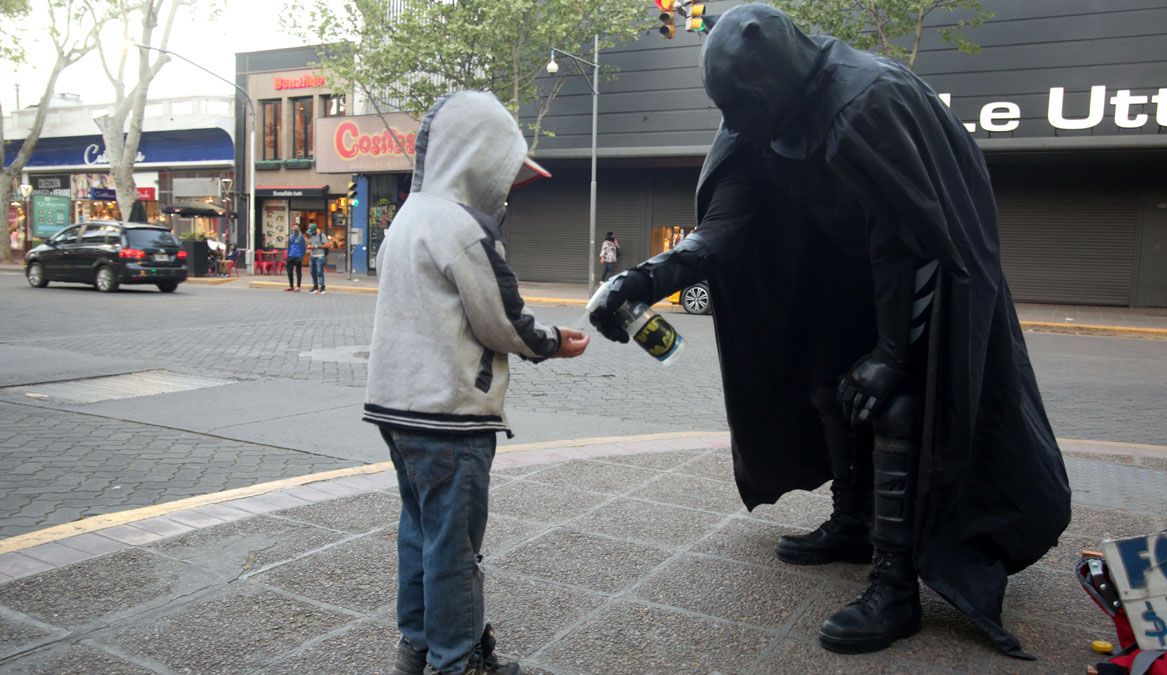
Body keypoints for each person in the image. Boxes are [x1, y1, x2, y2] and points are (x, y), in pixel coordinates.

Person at [588, 4, 1070, 659]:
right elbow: (727, 224)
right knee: (827, 385)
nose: (735, 122)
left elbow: (915, 238)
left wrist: (892, 352)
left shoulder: (869, 100)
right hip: (845, 278)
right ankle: (852, 520)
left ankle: (895, 586)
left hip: (921, 281)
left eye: (742, 105)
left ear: (774, 79)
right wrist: (642, 280)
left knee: (895, 405)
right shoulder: (757, 119)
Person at [363, 90, 588, 675]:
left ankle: (417, 646)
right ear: (479, 160)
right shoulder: (463, 228)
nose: (506, 190)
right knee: (455, 548)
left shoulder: (407, 218)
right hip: (450, 415)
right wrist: (553, 342)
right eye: (503, 173)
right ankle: (458, 662)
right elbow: (501, 320)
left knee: (419, 532)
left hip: (395, 409)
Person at [307, 223, 328, 294]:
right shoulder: (311, 235)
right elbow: (309, 243)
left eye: (312, 232)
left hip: (320, 256)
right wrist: (309, 246)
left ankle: (322, 287)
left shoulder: (322, 235)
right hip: (312, 256)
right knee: (312, 271)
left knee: (319, 271)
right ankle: (315, 286)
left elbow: (327, 245)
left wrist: (316, 246)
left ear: (315, 230)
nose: (311, 233)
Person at [285, 224, 306, 291]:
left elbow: (303, 247)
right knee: (289, 271)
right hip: (291, 256)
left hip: (298, 256)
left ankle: (298, 286)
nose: (295, 231)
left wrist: (301, 256)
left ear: (298, 230)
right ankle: (291, 286)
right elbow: (289, 247)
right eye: (294, 230)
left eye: (296, 230)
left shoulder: (301, 237)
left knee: (298, 272)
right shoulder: (291, 237)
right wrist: (288, 255)